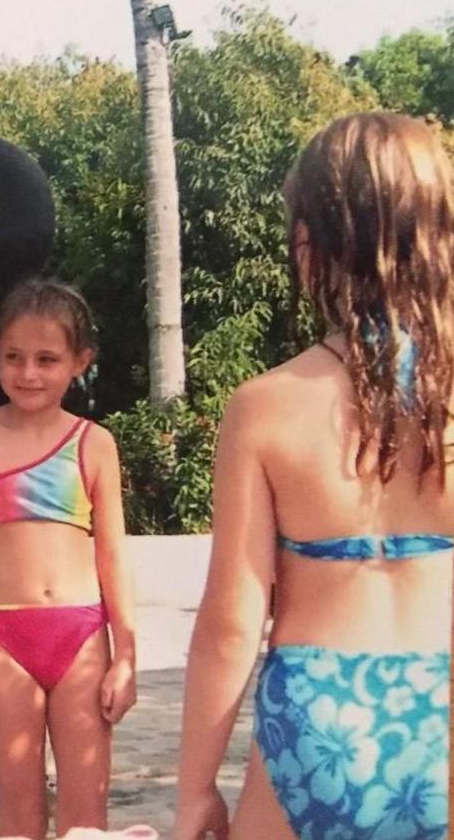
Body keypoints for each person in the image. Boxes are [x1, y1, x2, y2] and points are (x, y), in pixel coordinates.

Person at [173, 112, 454, 840]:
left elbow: (232, 623)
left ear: (310, 245)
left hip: (315, 712)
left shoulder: (266, 406)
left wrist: (196, 787)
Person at [0, 278, 137, 839]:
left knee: (86, 821)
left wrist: (126, 656)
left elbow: (112, 553)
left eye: (48, 359)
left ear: (80, 362)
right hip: (2, 641)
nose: (29, 373)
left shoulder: (94, 444)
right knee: (18, 819)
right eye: (14, 358)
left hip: (82, 637)